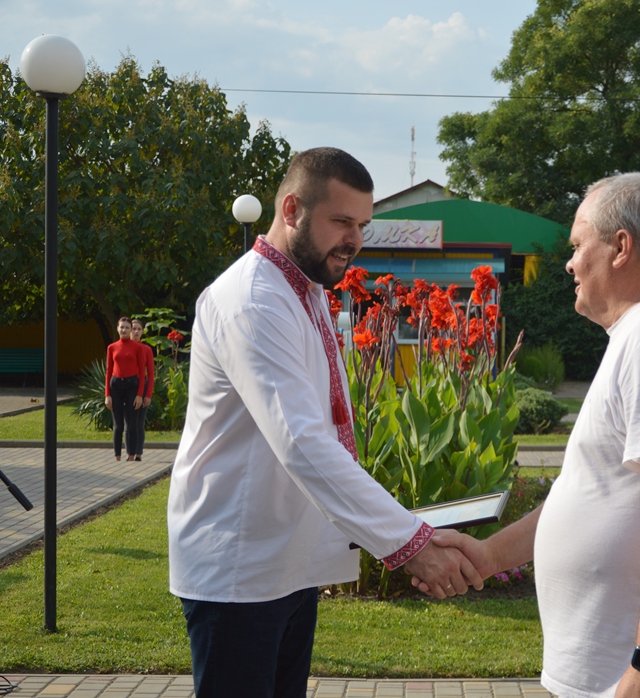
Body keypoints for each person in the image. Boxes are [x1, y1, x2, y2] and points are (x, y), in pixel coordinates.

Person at [167, 147, 483, 698]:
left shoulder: (304, 290)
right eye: (341, 221)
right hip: (240, 568)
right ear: (291, 208)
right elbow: (302, 442)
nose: (355, 239)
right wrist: (412, 544)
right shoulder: (254, 300)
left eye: (362, 224)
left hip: (286, 564)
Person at [422, 173, 640, 698]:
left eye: (577, 245)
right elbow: (596, 494)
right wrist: (488, 558)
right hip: (613, 670)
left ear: (621, 247)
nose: (569, 263)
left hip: (635, 675)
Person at [104, 317, 145, 462]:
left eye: (127, 327)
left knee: (131, 422)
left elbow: (142, 372)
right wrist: (107, 395)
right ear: (117, 328)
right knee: (118, 424)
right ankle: (117, 456)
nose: (124, 330)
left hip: (132, 385)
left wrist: (140, 395)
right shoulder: (112, 347)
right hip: (116, 385)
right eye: (122, 327)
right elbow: (108, 371)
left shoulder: (138, 348)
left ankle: (131, 455)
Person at [130, 319, 155, 461]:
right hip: (127, 386)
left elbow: (151, 373)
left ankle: (138, 453)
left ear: (142, 332)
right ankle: (130, 452)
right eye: (133, 329)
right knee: (129, 422)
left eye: (139, 329)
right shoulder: (125, 347)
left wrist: (148, 394)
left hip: (143, 386)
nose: (136, 332)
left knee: (139, 422)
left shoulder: (146, 350)